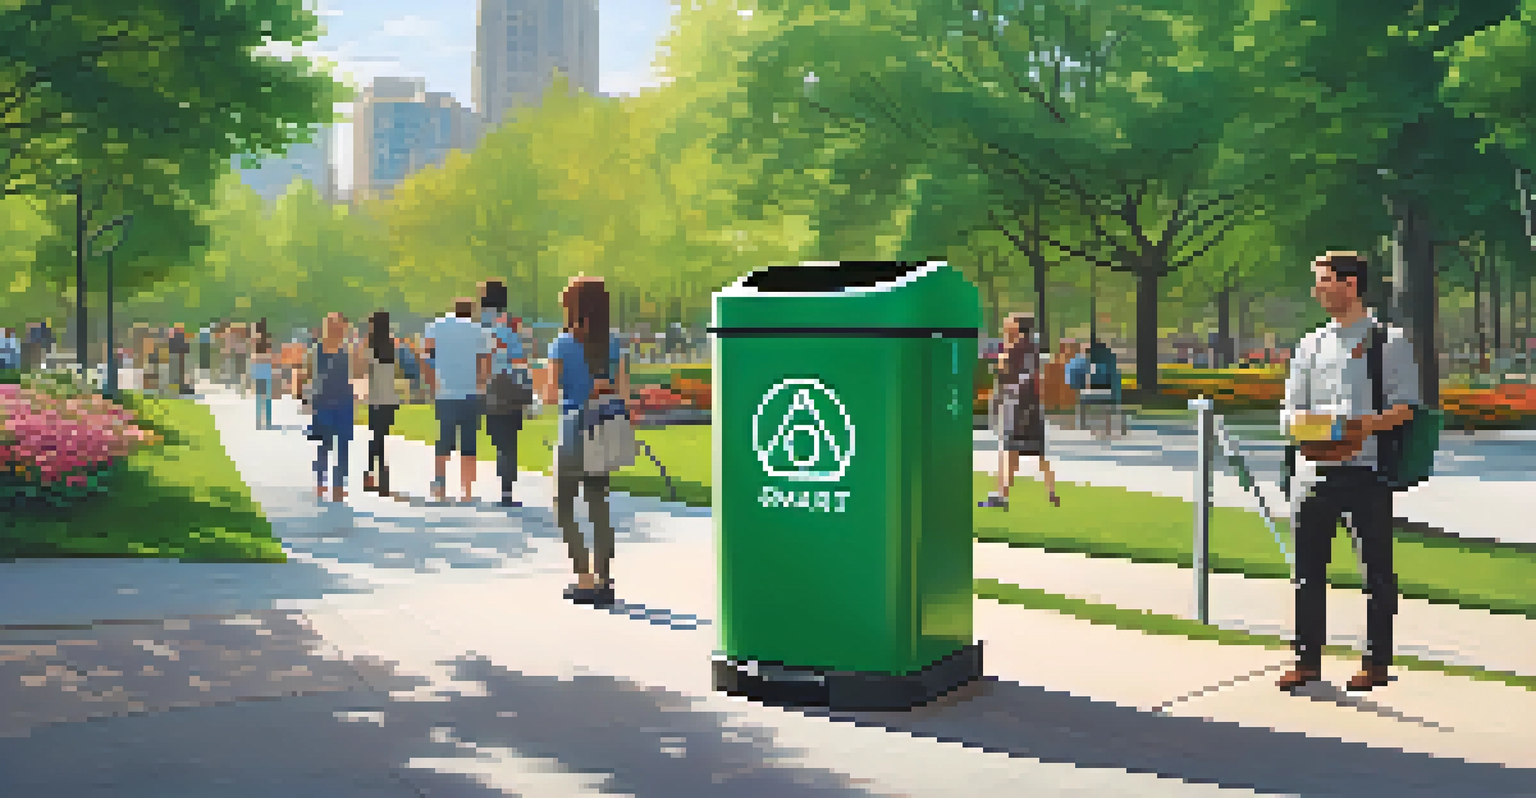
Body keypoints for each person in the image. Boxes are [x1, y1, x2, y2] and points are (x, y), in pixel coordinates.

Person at [1278, 251, 1421, 693]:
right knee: (1306, 573)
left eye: (1324, 280)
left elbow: (1406, 406)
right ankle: (1306, 660)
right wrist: (1313, 430)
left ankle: (1376, 662)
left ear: (1351, 284)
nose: (1317, 289)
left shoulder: (1388, 341)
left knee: (1376, 573)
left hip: (1366, 471)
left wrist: (1361, 427)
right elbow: (1289, 411)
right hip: (1314, 473)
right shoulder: (1310, 344)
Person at [545, 276, 629, 607]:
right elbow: (623, 393)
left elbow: (551, 395)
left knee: (563, 503)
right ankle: (605, 581)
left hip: (574, 427)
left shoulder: (563, 344)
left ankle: (583, 577)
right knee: (599, 504)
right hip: (605, 427)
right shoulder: (613, 344)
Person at [979, 313, 1060, 510]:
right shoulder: (1032, 348)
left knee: (1009, 451)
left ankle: (1002, 496)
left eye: (1009, 323)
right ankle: (1051, 492)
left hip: (1015, 406)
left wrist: (1003, 351)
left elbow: (1002, 370)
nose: (1006, 325)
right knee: (1036, 451)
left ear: (1017, 327)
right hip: (1031, 406)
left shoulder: (1014, 348)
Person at [423, 298, 496, 503]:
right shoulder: (480, 331)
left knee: (444, 440)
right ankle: (467, 490)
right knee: (469, 443)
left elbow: (425, 355)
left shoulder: (436, 327)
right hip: (471, 392)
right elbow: (486, 360)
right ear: (472, 312)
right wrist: (482, 384)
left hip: (445, 392)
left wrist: (431, 381)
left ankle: (439, 483)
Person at [480, 280, 531, 507]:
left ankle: (502, 478)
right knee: (510, 441)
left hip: (489, 387)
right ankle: (507, 489)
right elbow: (521, 360)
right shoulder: (510, 327)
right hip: (510, 386)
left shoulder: (478, 325)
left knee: (498, 437)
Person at [307, 312, 358, 502]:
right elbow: (309, 373)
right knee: (324, 445)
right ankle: (321, 483)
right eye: (333, 325)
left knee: (342, 445)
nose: (337, 329)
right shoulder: (317, 349)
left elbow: (357, 371)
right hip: (324, 401)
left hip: (343, 401)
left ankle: (338, 485)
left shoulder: (348, 349)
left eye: (340, 326)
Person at [362, 311, 401, 495]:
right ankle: (382, 478)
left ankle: (372, 476)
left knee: (376, 438)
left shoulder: (370, 346)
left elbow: (362, 367)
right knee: (381, 438)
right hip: (390, 399)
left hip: (376, 398)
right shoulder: (392, 345)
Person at [250, 332, 275, 430]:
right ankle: (267, 420)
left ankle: (259, 420)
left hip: (259, 371)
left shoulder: (255, 349)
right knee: (267, 397)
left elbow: (253, 361)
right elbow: (270, 359)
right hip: (266, 371)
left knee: (259, 397)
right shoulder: (267, 346)